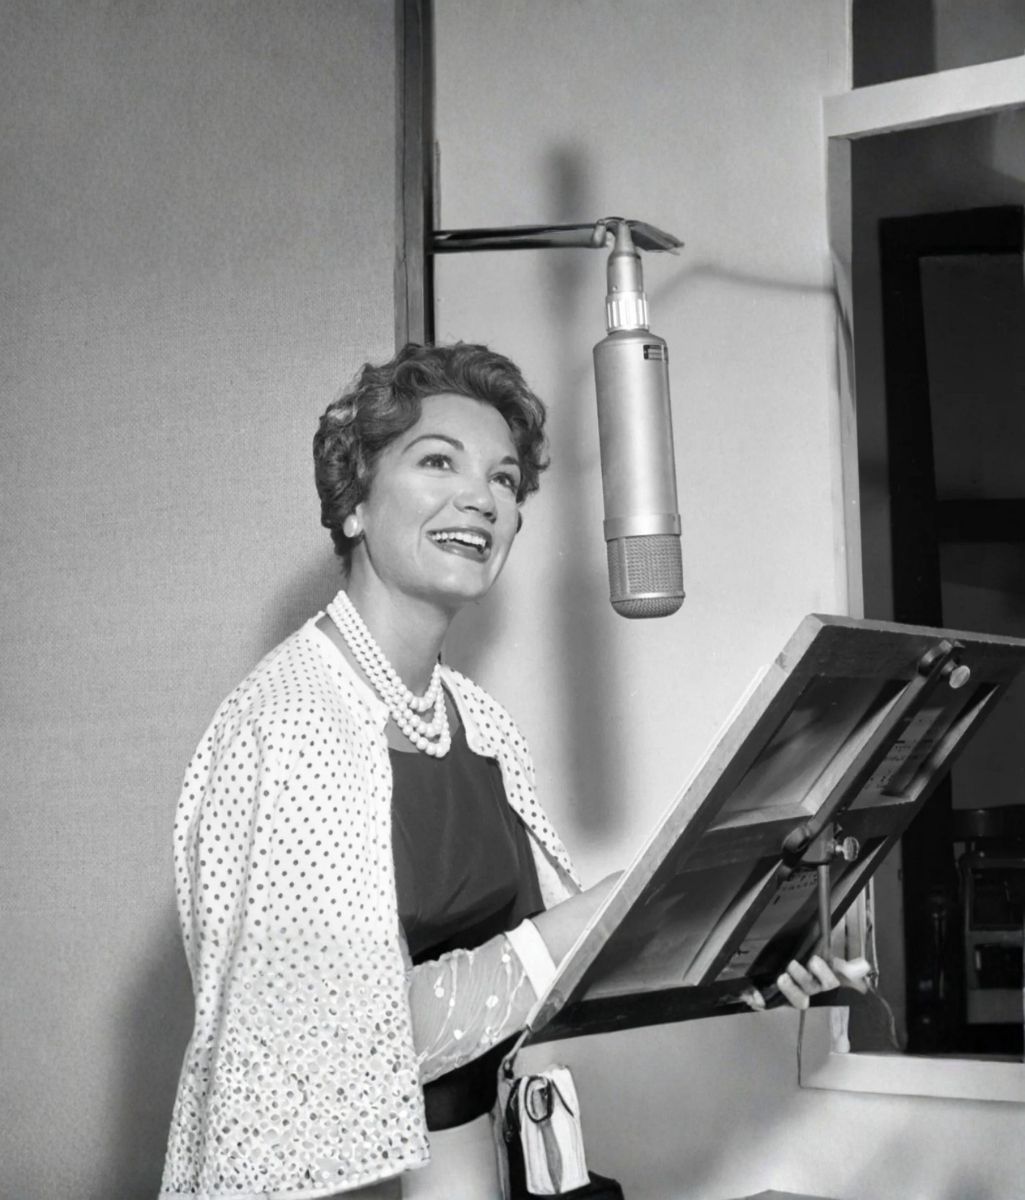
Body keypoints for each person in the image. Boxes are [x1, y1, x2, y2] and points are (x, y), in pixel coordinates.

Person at [160, 342, 862, 1200]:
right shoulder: (290, 726)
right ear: (353, 504)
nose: (480, 497)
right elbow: (324, 1050)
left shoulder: (477, 721)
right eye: (437, 461)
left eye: (502, 478)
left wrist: (749, 949)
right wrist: (576, 923)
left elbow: (571, 972)